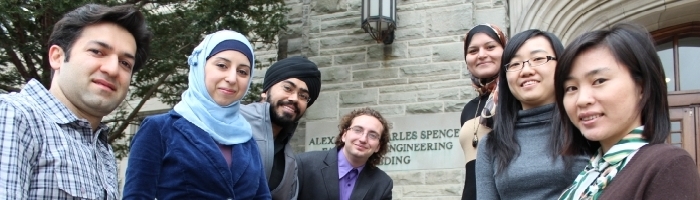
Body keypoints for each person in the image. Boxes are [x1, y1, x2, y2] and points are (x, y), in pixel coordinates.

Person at [0, 4, 150, 199]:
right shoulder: (13, 115)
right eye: (97, 51)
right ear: (57, 57)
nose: (113, 69)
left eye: (125, 63)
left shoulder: (101, 149)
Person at [555, 23, 700, 199]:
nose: (582, 99)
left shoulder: (668, 165)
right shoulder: (589, 174)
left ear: (642, 87)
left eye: (599, 81)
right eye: (571, 88)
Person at [123, 30, 270, 199]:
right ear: (200, 66)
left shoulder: (246, 138)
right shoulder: (159, 129)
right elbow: (137, 195)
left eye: (242, 72)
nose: (232, 78)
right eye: (222, 65)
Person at [475, 29, 588, 200]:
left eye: (538, 59)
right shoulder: (491, 144)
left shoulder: (587, 126)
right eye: (514, 64)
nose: (526, 70)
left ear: (562, 66)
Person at [240, 56, 321, 200]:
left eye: (303, 96)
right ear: (265, 92)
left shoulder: (290, 162)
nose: (294, 98)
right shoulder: (232, 124)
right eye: (287, 88)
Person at [296, 107, 393, 200]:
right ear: (344, 135)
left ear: (378, 147)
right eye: (358, 130)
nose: (363, 139)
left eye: (372, 135)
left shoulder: (383, 183)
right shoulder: (304, 164)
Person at [457, 23, 507, 200]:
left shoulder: (517, 97)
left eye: (490, 47)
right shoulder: (469, 108)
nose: (482, 55)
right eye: (473, 51)